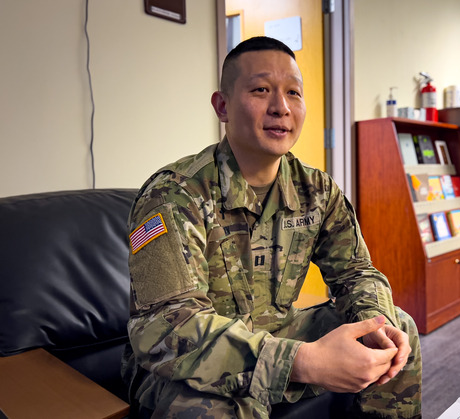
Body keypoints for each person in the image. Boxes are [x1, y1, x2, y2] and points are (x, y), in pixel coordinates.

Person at [122, 36, 422, 418]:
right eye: (261, 90)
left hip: (278, 334)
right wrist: (303, 361)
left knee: (398, 329)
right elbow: (167, 329)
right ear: (223, 105)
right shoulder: (172, 196)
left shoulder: (316, 189)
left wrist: (376, 322)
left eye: (293, 93)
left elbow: (356, 272)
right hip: (184, 366)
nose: (281, 108)